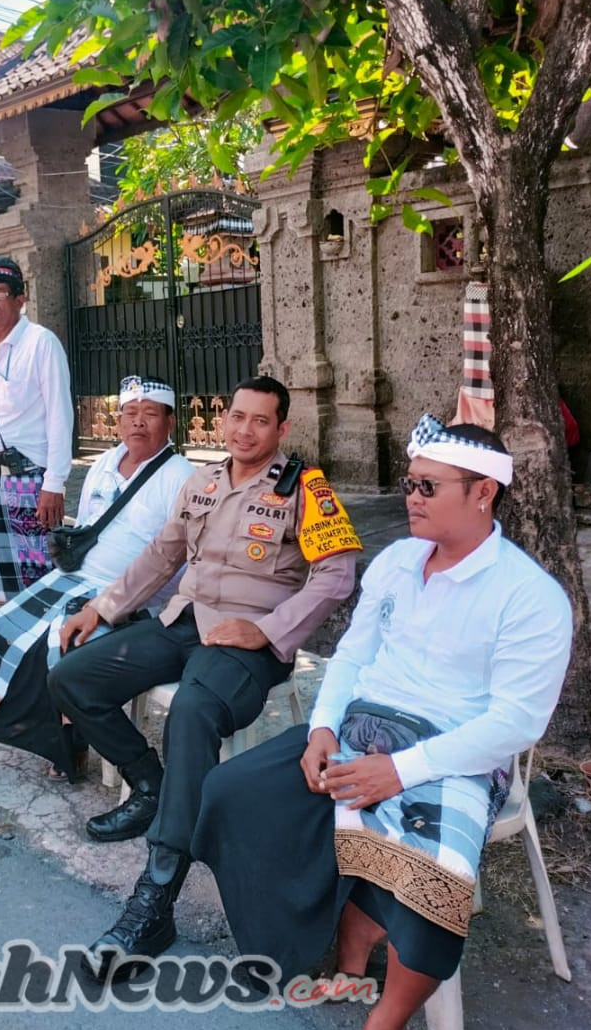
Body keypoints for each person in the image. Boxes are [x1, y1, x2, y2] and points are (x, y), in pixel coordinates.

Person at [192, 416, 572, 1030]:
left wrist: (399, 771)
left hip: (454, 754)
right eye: (410, 482)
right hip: (360, 729)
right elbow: (352, 655)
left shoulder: (531, 596)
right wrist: (322, 729)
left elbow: (515, 723)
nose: (411, 496)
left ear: (483, 492)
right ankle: (324, 929)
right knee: (231, 793)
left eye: (428, 485)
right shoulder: (397, 560)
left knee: (436, 876)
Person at [50, 375, 361, 959]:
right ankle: (152, 784)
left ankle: (157, 893)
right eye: (237, 417)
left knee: (191, 712)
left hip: (247, 644)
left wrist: (266, 631)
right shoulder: (203, 481)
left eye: (260, 420)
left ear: (282, 428)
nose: (245, 430)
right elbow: (162, 555)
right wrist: (101, 608)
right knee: (72, 677)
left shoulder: (306, 490)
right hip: (183, 623)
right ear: (223, 420)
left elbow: (337, 576)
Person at [0, 376, 195, 800]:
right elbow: (85, 525)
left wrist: (121, 603)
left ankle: (68, 748)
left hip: (130, 599)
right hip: (73, 580)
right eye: (130, 413)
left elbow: (178, 563)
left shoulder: (183, 477)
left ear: (170, 422)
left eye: (150, 414)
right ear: (118, 421)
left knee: (57, 643)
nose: (138, 423)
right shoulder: (105, 464)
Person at [0, 256, 73, 622]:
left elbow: (60, 416)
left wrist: (54, 483)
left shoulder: (41, 343)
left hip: (29, 480)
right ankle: (0, 653)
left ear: (20, 300)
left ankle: (40, 655)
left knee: (36, 582)